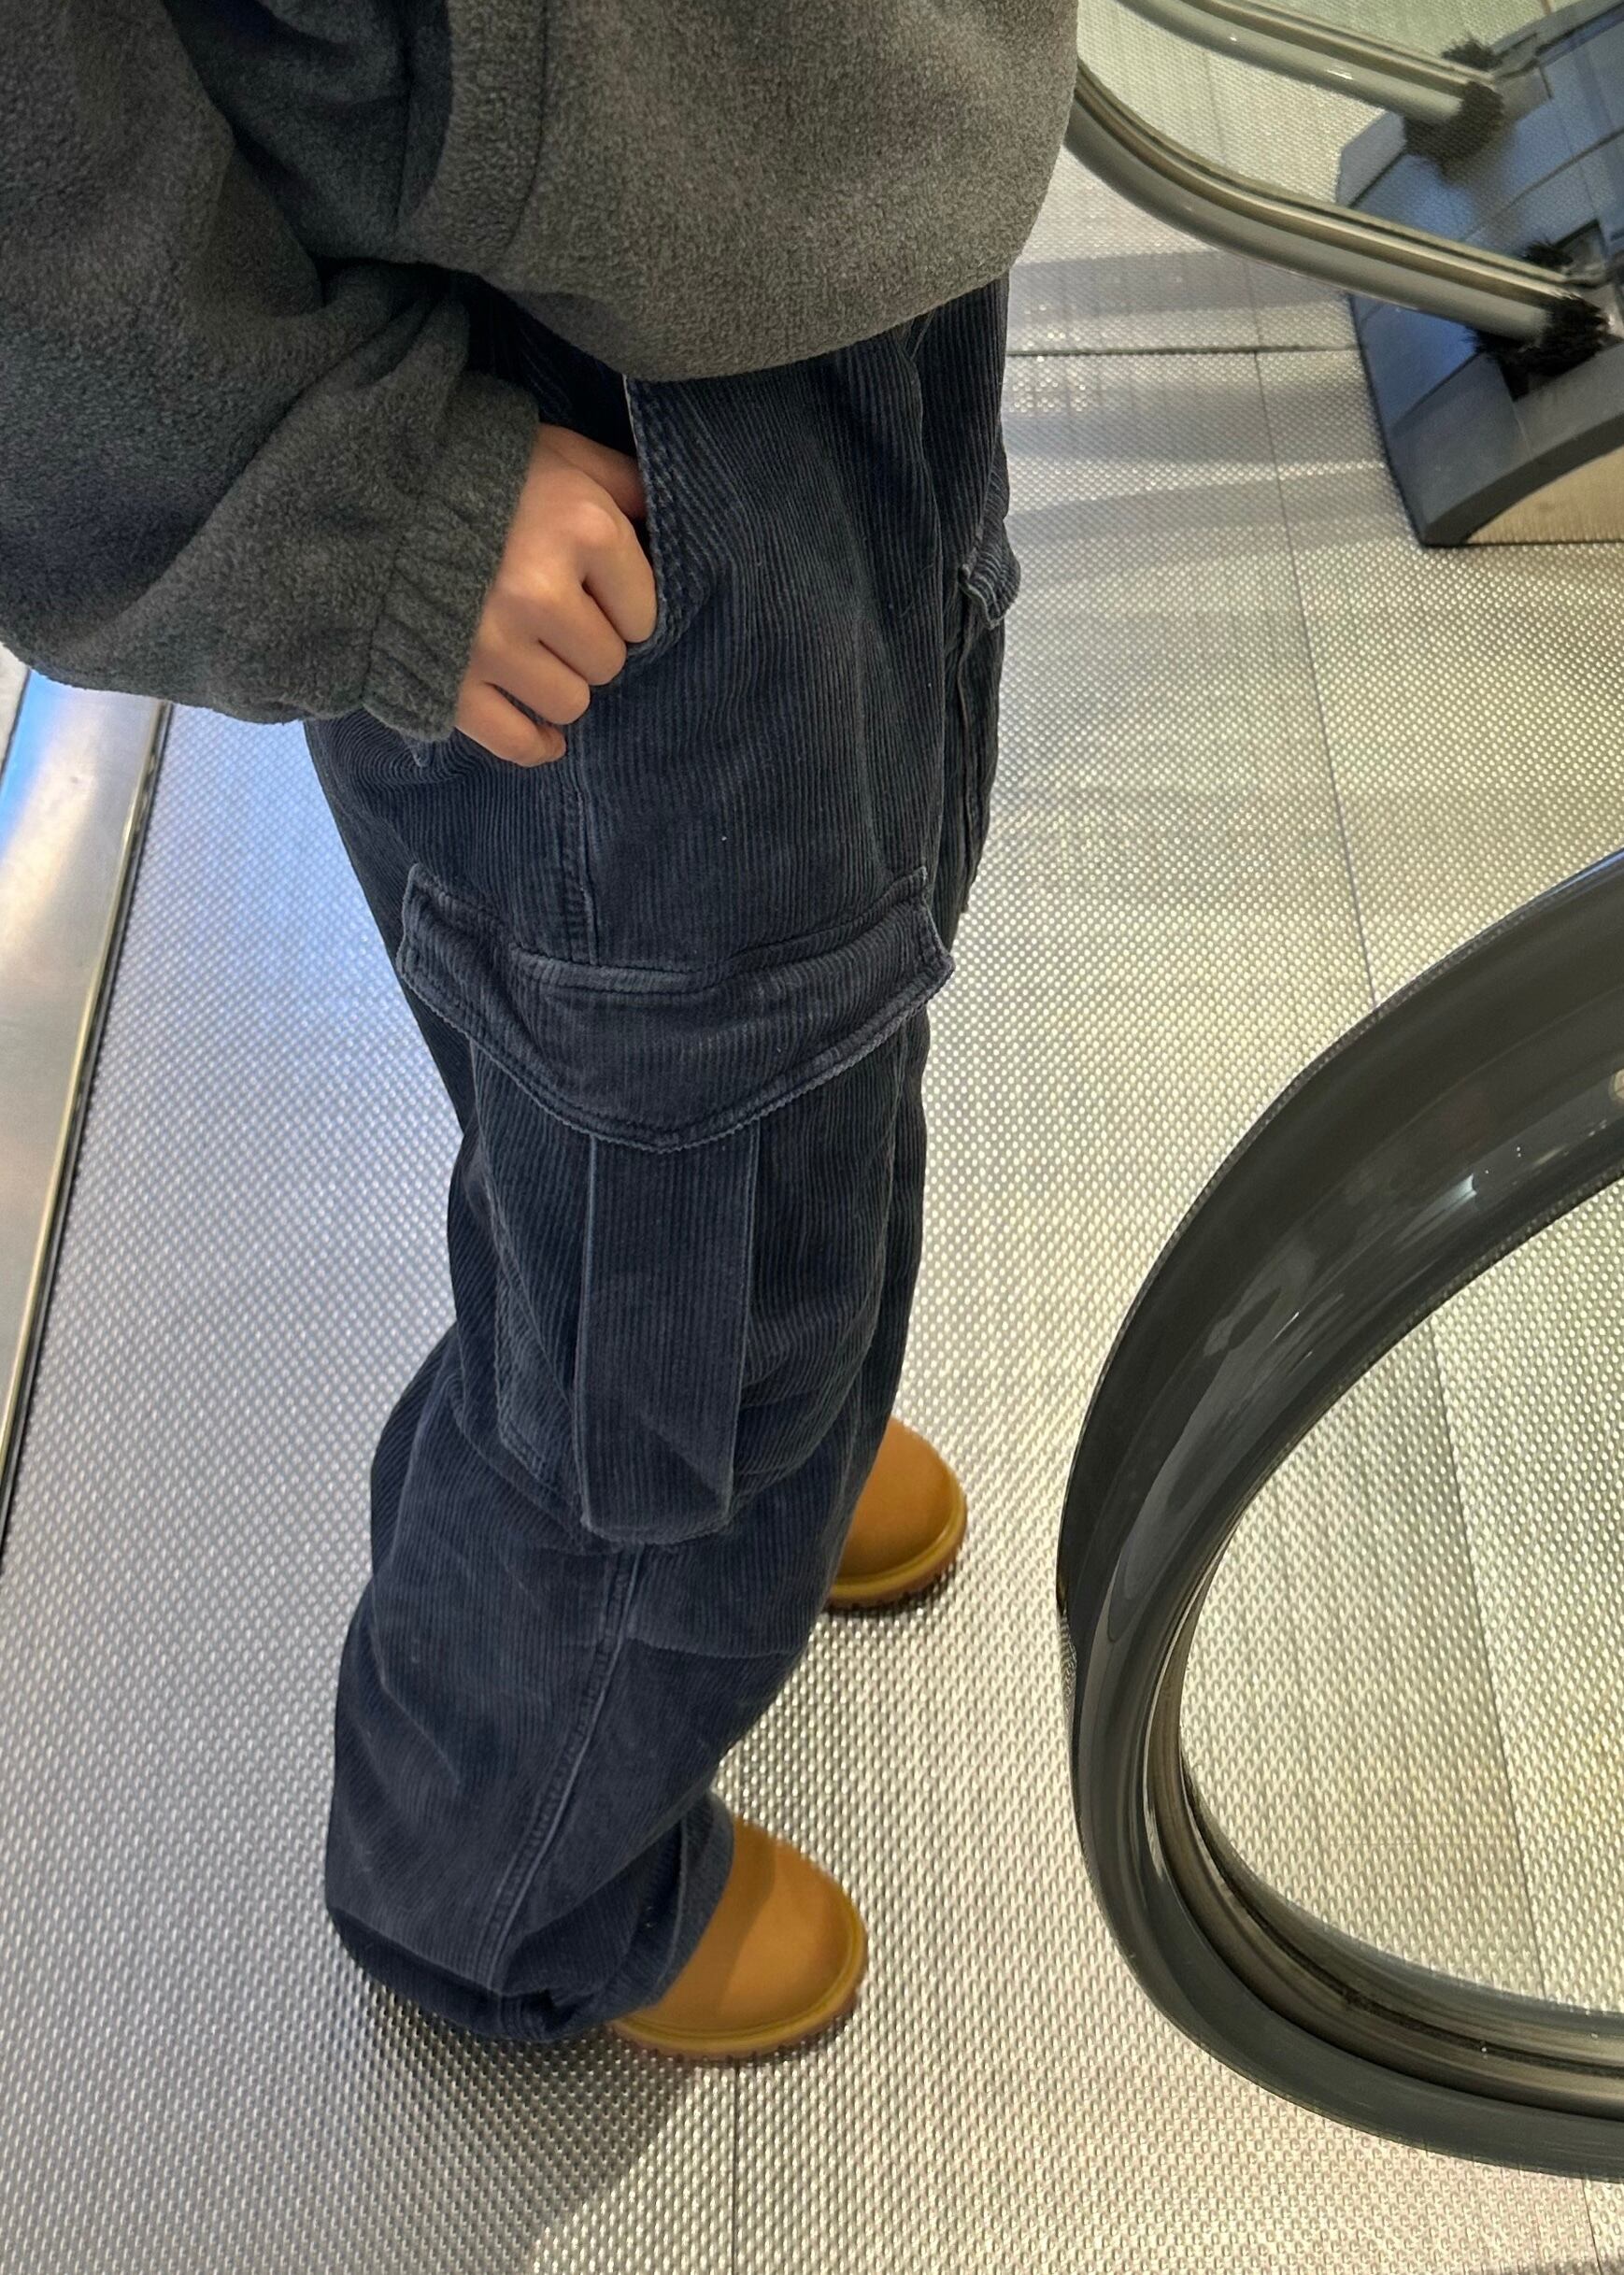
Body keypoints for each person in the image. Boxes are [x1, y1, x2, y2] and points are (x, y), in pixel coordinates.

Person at [0, 3, 1078, 2059]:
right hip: (542, 382)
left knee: (825, 1020)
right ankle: (498, 1887)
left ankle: (774, 1431)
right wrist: (308, 480)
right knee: (652, 1319)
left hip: (844, 217)